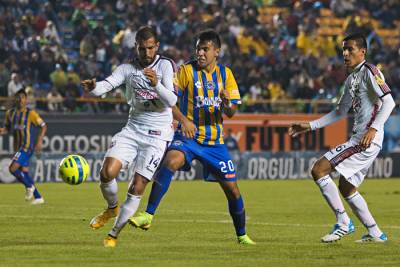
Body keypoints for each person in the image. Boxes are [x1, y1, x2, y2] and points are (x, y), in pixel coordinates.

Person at [130, 30, 255, 245]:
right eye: (198, 48)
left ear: (217, 52)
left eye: (205, 49)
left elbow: (232, 112)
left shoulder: (226, 74)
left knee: (233, 191)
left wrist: (226, 103)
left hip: (215, 143)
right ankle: (148, 216)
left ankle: (242, 235)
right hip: (188, 137)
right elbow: (170, 100)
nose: (200, 53)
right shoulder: (185, 71)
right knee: (170, 161)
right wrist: (184, 121)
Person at [289, 33, 395, 243]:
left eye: (350, 49)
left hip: (365, 140)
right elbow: (339, 112)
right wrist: (309, 126)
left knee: (318, 169)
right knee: (346, 187)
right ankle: (375, 233)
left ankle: (344, 222)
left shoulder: (370, 71)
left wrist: (373, 129)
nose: (345, 54)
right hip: (361, 139)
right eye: (343, 50)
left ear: (362, 51)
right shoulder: (351, 79)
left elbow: (389, 102)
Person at [81, 26, 177, 248]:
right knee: (106, 173)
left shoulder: (165, 66)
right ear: (136, 47)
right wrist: (94, 88)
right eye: (142, 49)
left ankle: (113, 234)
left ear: (157, 47)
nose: (146, 53)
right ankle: (112, 207)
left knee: (137, 186)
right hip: (133, 129)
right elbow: (106, 84)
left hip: (157, 136)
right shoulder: (127, 69)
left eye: (150, 48)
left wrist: (156, 84)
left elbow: (171, 101)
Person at [0, 89, 47, 204]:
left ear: (26, 99)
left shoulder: (31, 114)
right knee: (24, 172)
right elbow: (6, 129)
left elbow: (44, 126)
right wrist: (2, 130)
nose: (20, 100)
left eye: (22, 97)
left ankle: (29, 186)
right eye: (18, 97)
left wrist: (39, 141)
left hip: (27, 147)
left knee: (12, 168)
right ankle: (38, 197)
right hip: (18, 147)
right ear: (15, 99)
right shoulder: (10, 114)